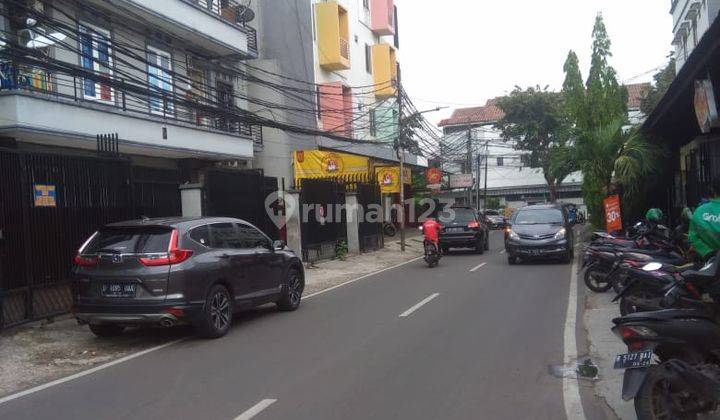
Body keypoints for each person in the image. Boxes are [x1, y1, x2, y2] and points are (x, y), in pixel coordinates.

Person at [689, 177, 720, 261]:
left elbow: (692, 237)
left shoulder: (700, 211)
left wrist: (708, 253)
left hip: (708, 264)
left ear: (712, 189)